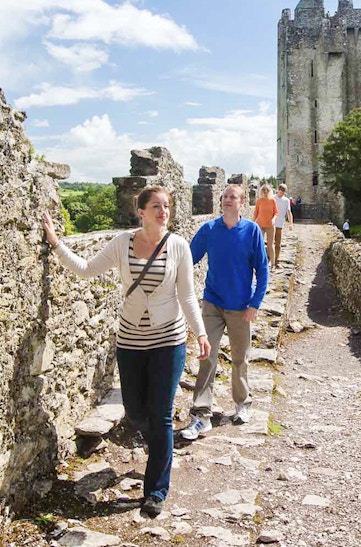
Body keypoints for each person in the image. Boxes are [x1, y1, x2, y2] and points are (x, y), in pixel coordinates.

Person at [43, 187, 210, 518]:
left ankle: (156, 490)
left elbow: (188, 296)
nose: (163, 211)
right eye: (156, 206)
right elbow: (87, 269)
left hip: (168, 340)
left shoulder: (178, 247)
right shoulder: (123, 243)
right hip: (131, 341)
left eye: (167, 206)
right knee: (135, 411)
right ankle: (161, 448)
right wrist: (57, 244)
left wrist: (201, 332)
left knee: (161, 413)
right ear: (141, 211)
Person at [180, 184, 269, 441]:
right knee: (207, 356)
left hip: (241, 306)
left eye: (234, 197)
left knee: (240, 358)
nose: (228, 200)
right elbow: (188, 258)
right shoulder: (209, 229)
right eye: (225, 196)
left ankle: (243, 404)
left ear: (242, 203)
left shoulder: (251, 231)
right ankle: (201, 415)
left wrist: (255, 303)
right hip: (213, 303)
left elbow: (262, 270)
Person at [253, 183, 278, 269]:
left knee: (270, 245)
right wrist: (251, 224)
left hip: (270, 226)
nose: (265, 192)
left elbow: (276, 213)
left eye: (267, 191)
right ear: (261, 192)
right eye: (264, 191)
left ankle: (273, 264)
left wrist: (274, 219)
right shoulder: (259, 201)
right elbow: (255, 213)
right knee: (259, 244)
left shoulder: (272, 201)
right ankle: (260, 263)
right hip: (260, 225)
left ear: (270, 192)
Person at [273, 183, 293, 268]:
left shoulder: (286, 200)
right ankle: (270, 260)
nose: (281, 193)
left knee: (278, 244)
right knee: (270, 244)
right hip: (271, 223)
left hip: (280, 224)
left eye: (283, 192)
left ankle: (276, 261)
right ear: (278, 190)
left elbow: (289, 212)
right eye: (280, 191)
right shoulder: (273, 198)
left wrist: (291, 223)